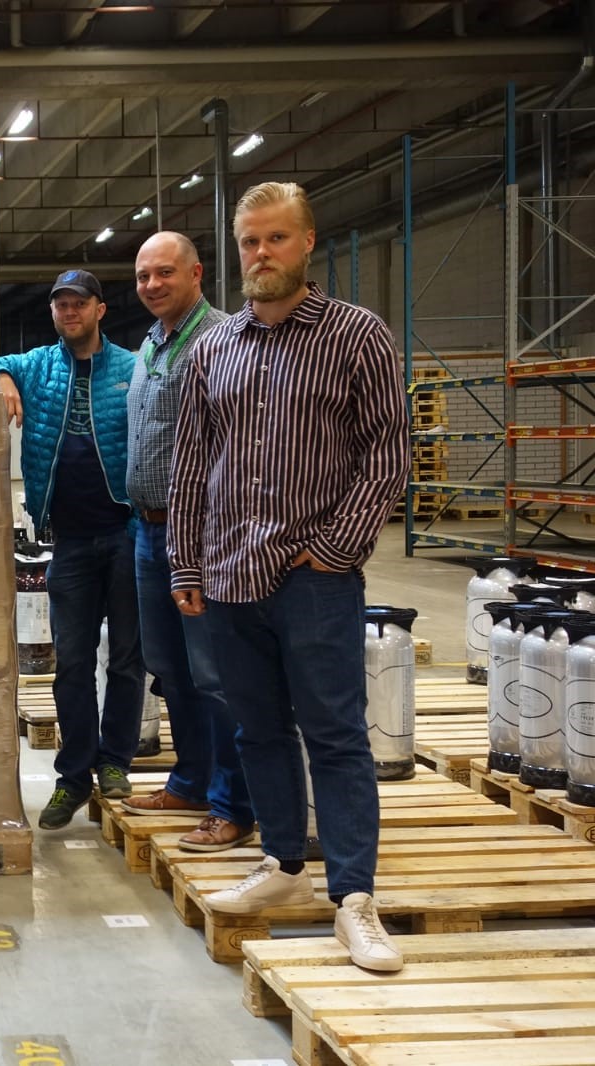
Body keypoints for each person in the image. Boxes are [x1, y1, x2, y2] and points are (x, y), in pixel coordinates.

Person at [168, 181, 409, 973]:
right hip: (229, 576)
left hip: (312, 579)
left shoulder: (356, 336)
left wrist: (338, 548)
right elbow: (191, 465)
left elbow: (387, 453)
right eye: (249, 241)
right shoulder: (214, 349)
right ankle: (282, 862)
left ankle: (354, 898)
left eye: (276, 238)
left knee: (335, 735)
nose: (261, 253)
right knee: (258, 730)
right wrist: (186, 560)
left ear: (307, 242)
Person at [0, 269, 143, 831]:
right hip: (70, 541)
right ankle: (73, 777)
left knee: (127, 659)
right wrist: (1, 374)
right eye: (61, 304)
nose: (69, 311)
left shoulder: (131, 368)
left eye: (79, 303)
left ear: (100, 309)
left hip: (127, 533)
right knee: (72, 663)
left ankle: (115, 762)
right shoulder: (37, 366)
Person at [120, 232, 256, 854]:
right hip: (148, 529)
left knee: (214, 674)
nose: (152, 285)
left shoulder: (221, 340)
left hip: (200, 532)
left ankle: (233, 805)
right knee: (170, 667)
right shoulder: (153, 342)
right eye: (143, 276)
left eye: (164, 273)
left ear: (196, 274)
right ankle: (191, 781)